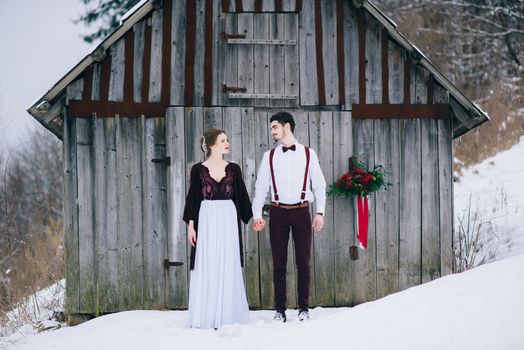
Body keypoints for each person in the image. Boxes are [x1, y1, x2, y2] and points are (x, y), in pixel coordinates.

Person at [252, 111, 326, 322]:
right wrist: (257, 214)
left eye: (275, 127)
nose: (273, 131)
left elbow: (319, 184)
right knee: (279, 264)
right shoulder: (269, 156)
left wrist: (320, 212)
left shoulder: (309, 153)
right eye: (272, 128)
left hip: (302, 211)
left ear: (287, 127)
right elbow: (260, 188)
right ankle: (279, 311)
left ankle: (304, 309)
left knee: (303, 262)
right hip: (277, 213)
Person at [183, 128, 253, 329]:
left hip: (228, 219)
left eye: (227, 139)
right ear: (211, 145)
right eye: (223, 140)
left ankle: (227, 313)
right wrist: (191, 227)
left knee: (227, 260)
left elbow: (242, 197)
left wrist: (254, 218)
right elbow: (193, 199)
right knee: (207, 261)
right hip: (206, 218)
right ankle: (207, 313)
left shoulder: (234, 168)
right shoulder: (198, 169)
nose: (227, 143)